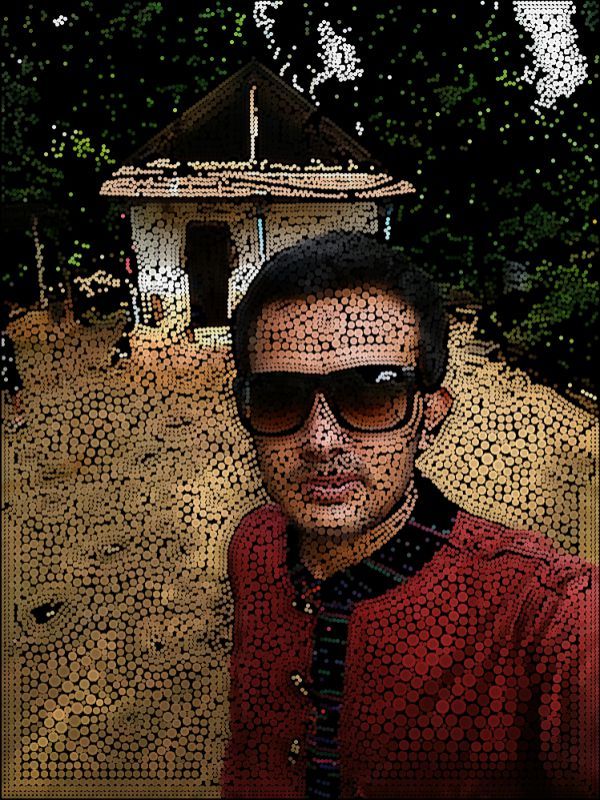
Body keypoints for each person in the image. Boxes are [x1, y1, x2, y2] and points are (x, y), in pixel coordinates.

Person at [221, 232, 598, 799]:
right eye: (278, 397)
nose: (321, 440)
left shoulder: (547, 617)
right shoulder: (255, 547)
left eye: (373, 393)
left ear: (430, 414)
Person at [1, 301, 26, 431]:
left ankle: (19, 416)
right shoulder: (5, 338)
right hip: (8, 364)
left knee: (13, 388)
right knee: (13, 388)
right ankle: (18, 416)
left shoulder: (5, 339)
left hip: (7, 364)